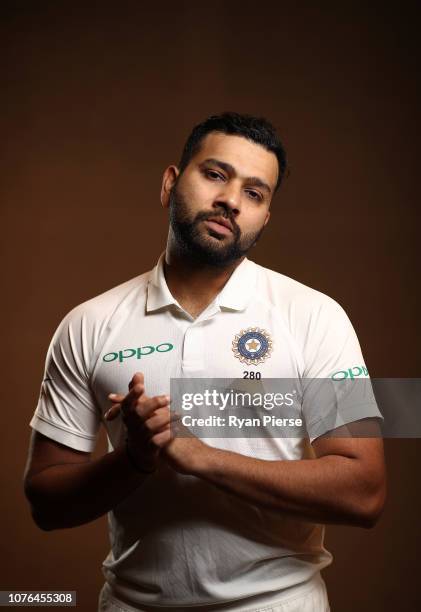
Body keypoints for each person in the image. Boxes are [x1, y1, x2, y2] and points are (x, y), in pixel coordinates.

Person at [23, 112, 386, 612]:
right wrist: (134, 460)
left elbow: (365, 490)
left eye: (255, 193)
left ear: (265, 217)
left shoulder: (315, 316)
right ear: (171, 182)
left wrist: (201, 457)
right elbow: (46, 502)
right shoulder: (89, 324)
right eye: (215, 174)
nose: (231, 201)